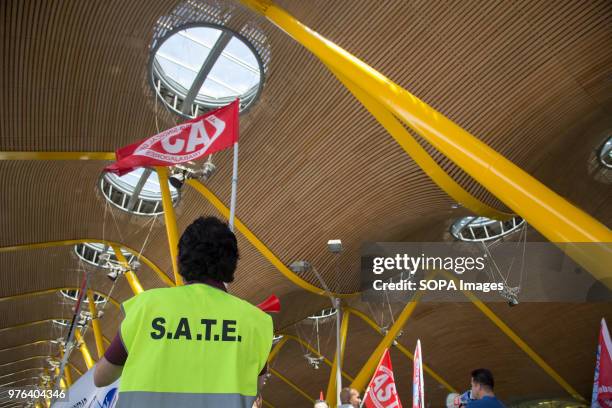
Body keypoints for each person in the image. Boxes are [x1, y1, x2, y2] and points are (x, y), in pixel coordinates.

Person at [94, 216, 273, 408]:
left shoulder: (148, 306)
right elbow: (255, 384)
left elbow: (101, 377)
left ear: (181, 260)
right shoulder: (254, 321)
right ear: (232, 263)